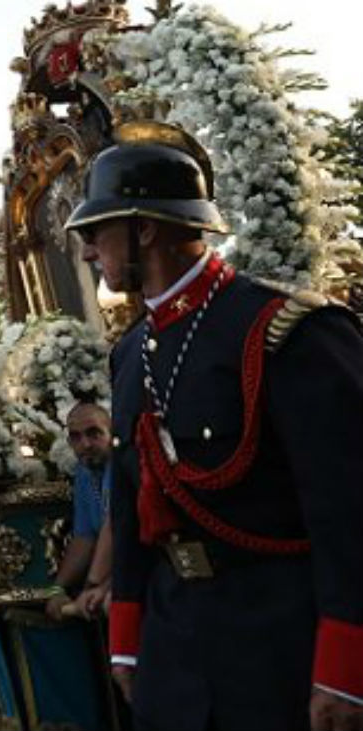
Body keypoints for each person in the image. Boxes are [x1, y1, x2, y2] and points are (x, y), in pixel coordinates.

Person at [67, 119, 363, 731]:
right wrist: (127, 639)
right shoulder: (130, 353)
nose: (90, 250)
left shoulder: (284, 330)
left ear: (144, 228)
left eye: (96, 232)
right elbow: (131, 505)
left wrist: (346, 665)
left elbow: (348, 511)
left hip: (284, 643)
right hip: (176, 647)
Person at [45, 403, 113, 621]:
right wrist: (57, 589)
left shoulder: (124, 464)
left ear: (111, 432)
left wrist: (96, 586)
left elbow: (120, 529)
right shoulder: (83, 473)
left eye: (94, 433)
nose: (85, 444)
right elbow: (84, 537)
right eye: (76, 437)